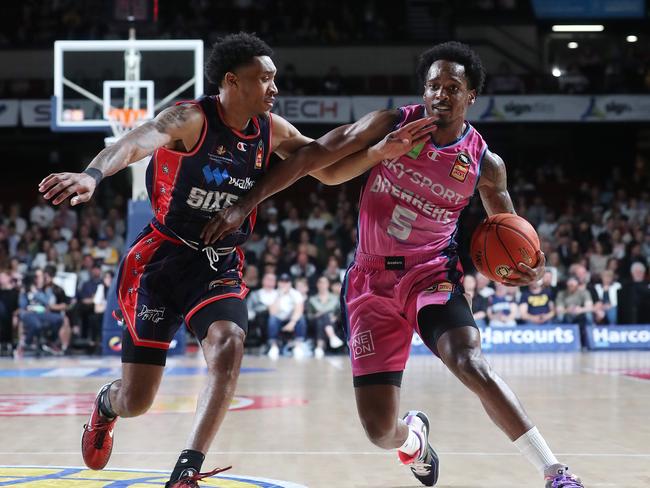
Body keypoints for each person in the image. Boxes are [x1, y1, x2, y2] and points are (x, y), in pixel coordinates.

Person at [39, 32, 425, 488]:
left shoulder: (272, 130)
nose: (274, 88)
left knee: (230, 344)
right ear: (231, 82)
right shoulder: (189, 120)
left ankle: (188, 467)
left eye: (275, 78)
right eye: (264, 78)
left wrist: (378, 153)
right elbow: (135, 141)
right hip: (162, 262)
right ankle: (107, 405)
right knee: (137, 400)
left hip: (218, 264)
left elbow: (326, 169)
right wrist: (92, 175)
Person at [205, 41, 584, 487]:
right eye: (433, 86)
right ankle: (414, 441)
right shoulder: (392, 125)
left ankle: (554, 470)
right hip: (369, 280)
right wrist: (243, 204)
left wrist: (529, 269)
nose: (440, 95)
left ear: (471, 96)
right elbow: (313, 156)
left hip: (431, 273)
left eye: (452, 87)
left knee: (469, 361)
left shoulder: (485, 163)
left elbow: (509, 231)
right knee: (380, 429)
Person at [266, 273, 306, 358]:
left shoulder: (296, 293)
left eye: (286, 282)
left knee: (301, 318)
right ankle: (274, 347)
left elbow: (299, 310)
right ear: (278, 283)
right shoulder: (273, 294)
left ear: (290, 283)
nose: (284, 284)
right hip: (279, 319)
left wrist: (292, 322)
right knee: (272, 319)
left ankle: (298, 346)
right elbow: (272, 312)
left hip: (292, 319)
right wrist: (280, 296)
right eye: (282, 281)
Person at [307, 275, 344, 358]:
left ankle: (319, 347)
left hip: (332, 322)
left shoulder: (335, 298)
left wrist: (335, 317)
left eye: (324, 282)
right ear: (317, 284)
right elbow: (309, 316)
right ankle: (332, 337)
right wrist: (317, 315)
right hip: (315, 322)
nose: (322, 284)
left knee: (324, 318)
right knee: (322, 317)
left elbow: (340, 312)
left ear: (328, 284)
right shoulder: (312, 299)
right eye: (320, 282)